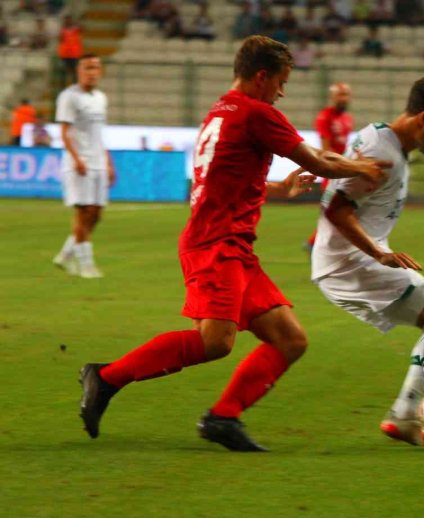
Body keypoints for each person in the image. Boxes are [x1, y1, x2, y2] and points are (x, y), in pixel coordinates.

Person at [77, 36, 391, 452]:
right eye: (281, 82)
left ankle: (223, 417)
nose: (282, 91)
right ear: (261, 77)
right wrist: (362, 167)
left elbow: (228, 174)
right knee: (214, 342)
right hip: (215, 243)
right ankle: (106, 377)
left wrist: (279, 187)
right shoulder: (256, 112)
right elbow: (316, 160)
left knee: (290, 340)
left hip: (232, 246)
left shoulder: (222, 109)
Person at [311, 77, 424, 446]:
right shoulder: (384, 151)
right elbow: (337, 209)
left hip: (348, 260)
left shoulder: (382, 139)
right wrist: (378, 253)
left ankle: (405, 416)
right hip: (353, 261)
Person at [51, 55, 115, 279]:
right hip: (79, 163)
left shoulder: (100, 98)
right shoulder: (69, 96)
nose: (92, 72)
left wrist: (108, 162)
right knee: (83, 212)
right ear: (79, 71)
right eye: (88, 68)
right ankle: (86, 265)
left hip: (98, 162)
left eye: (96, 68)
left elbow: (98, 135)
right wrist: (77, 158)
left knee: (96, 214)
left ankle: (65, 255)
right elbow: (65, 133)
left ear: (101, 71)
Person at [305, 82, 354, 253]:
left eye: (347, 94)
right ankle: (314, 244)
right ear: (333, 97)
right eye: (341, 95)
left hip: (343, 169)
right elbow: (326, 148)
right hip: (331, 171)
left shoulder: (347, 119)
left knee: (339, 212)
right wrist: (345, 163)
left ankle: (315, 243)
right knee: (335, 212)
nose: (345, 98)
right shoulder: (324, 117)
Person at [57, 15, 83, 86]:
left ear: (71, 21)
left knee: (74, 73)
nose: (67, 21)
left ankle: (75, 87)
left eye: (69, 20)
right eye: (66, 20)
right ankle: (62, 87)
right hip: (64, 55)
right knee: (63, 73)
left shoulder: (76, 30)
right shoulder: (62, 31)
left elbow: (81, 28)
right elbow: (60, 40)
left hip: (74, 55)